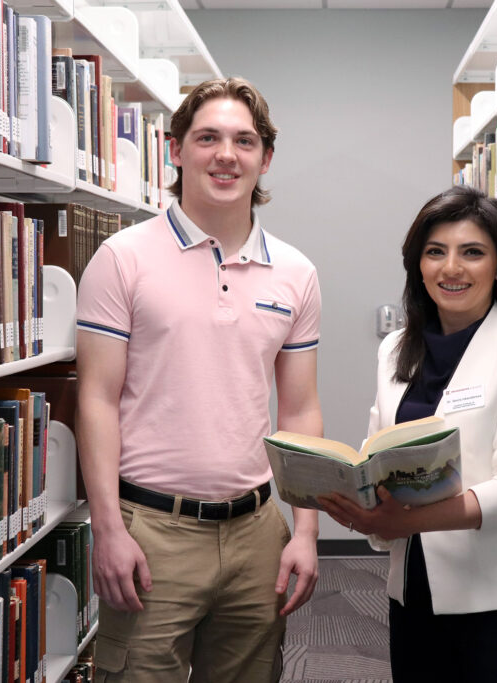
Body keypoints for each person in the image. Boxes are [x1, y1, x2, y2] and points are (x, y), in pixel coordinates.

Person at [75, 77, 322, 683]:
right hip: (152, 532)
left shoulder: (295, 272)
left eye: (244, 140)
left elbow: (301, 411)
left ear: (265, 158)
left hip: (257, 533)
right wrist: (108, 529)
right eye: (208, 137)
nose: (226, 154)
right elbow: (96, 400)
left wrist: (307, 531)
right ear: (176, 149)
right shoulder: (122, 257)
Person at [319, 185, 497, 683]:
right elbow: (378, 454)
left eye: (472, 252)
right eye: (435, 252)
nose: (450, 268)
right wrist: (361, 503)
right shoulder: (395, 349)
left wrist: (407, 522)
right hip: (414, 590)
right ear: (418, 265)